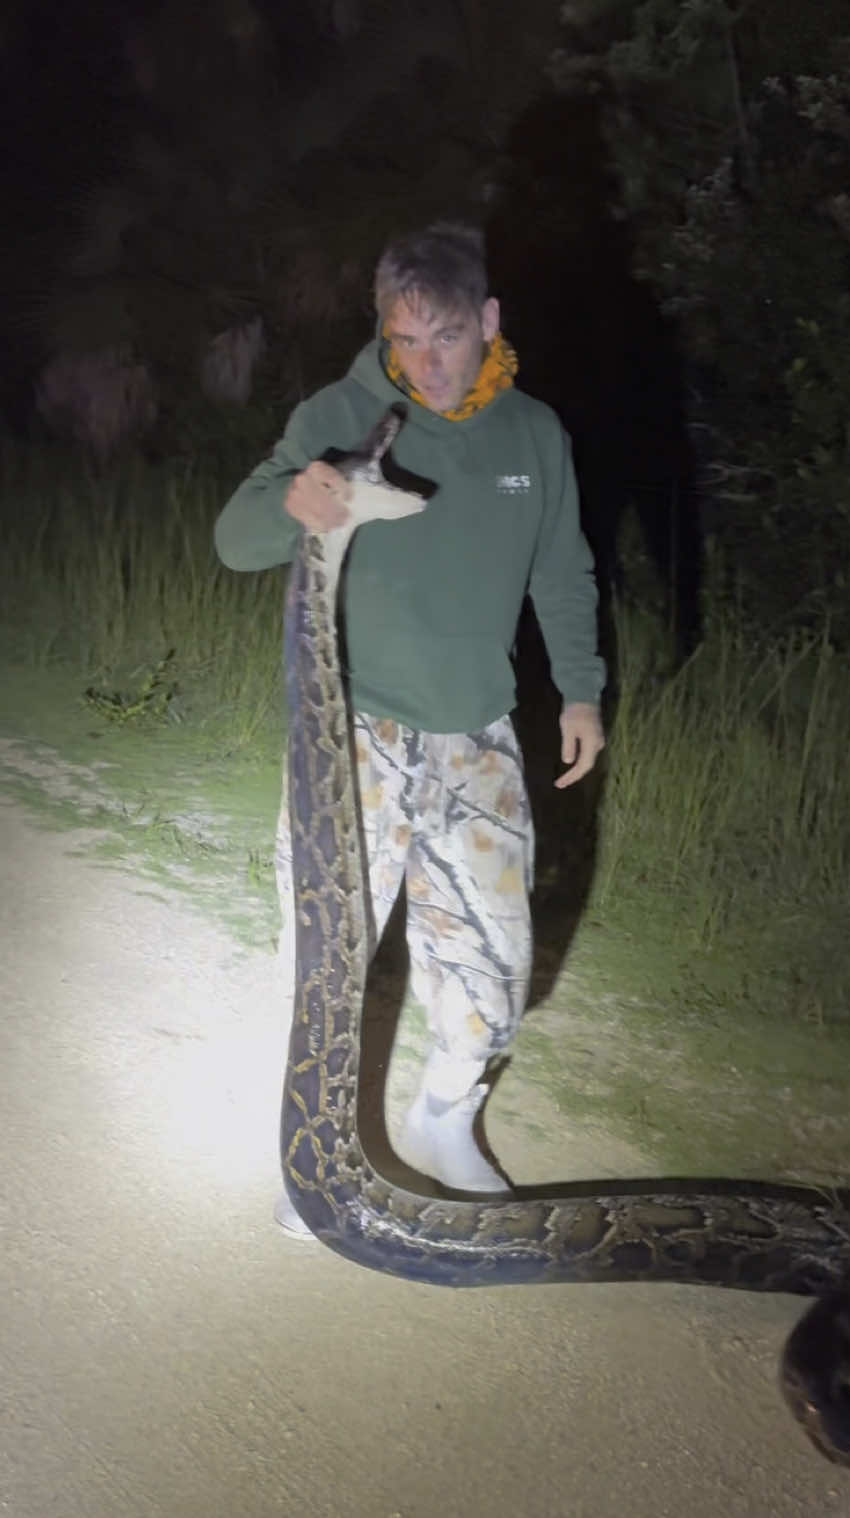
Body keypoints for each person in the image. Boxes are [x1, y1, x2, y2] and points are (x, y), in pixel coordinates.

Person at [214, 220, 605, 1232]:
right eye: (406, 339)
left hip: (478, 733)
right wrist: (297, 499)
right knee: (328, 954)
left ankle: (443, 1121)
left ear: (489, 320)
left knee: (495, 965)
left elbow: (562, 568)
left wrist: (580, 690)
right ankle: (312, 1157)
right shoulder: (342, 414)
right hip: (356, 733)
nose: (426, 366)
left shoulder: (534, 435)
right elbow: (236, 539)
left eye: (448, 338)